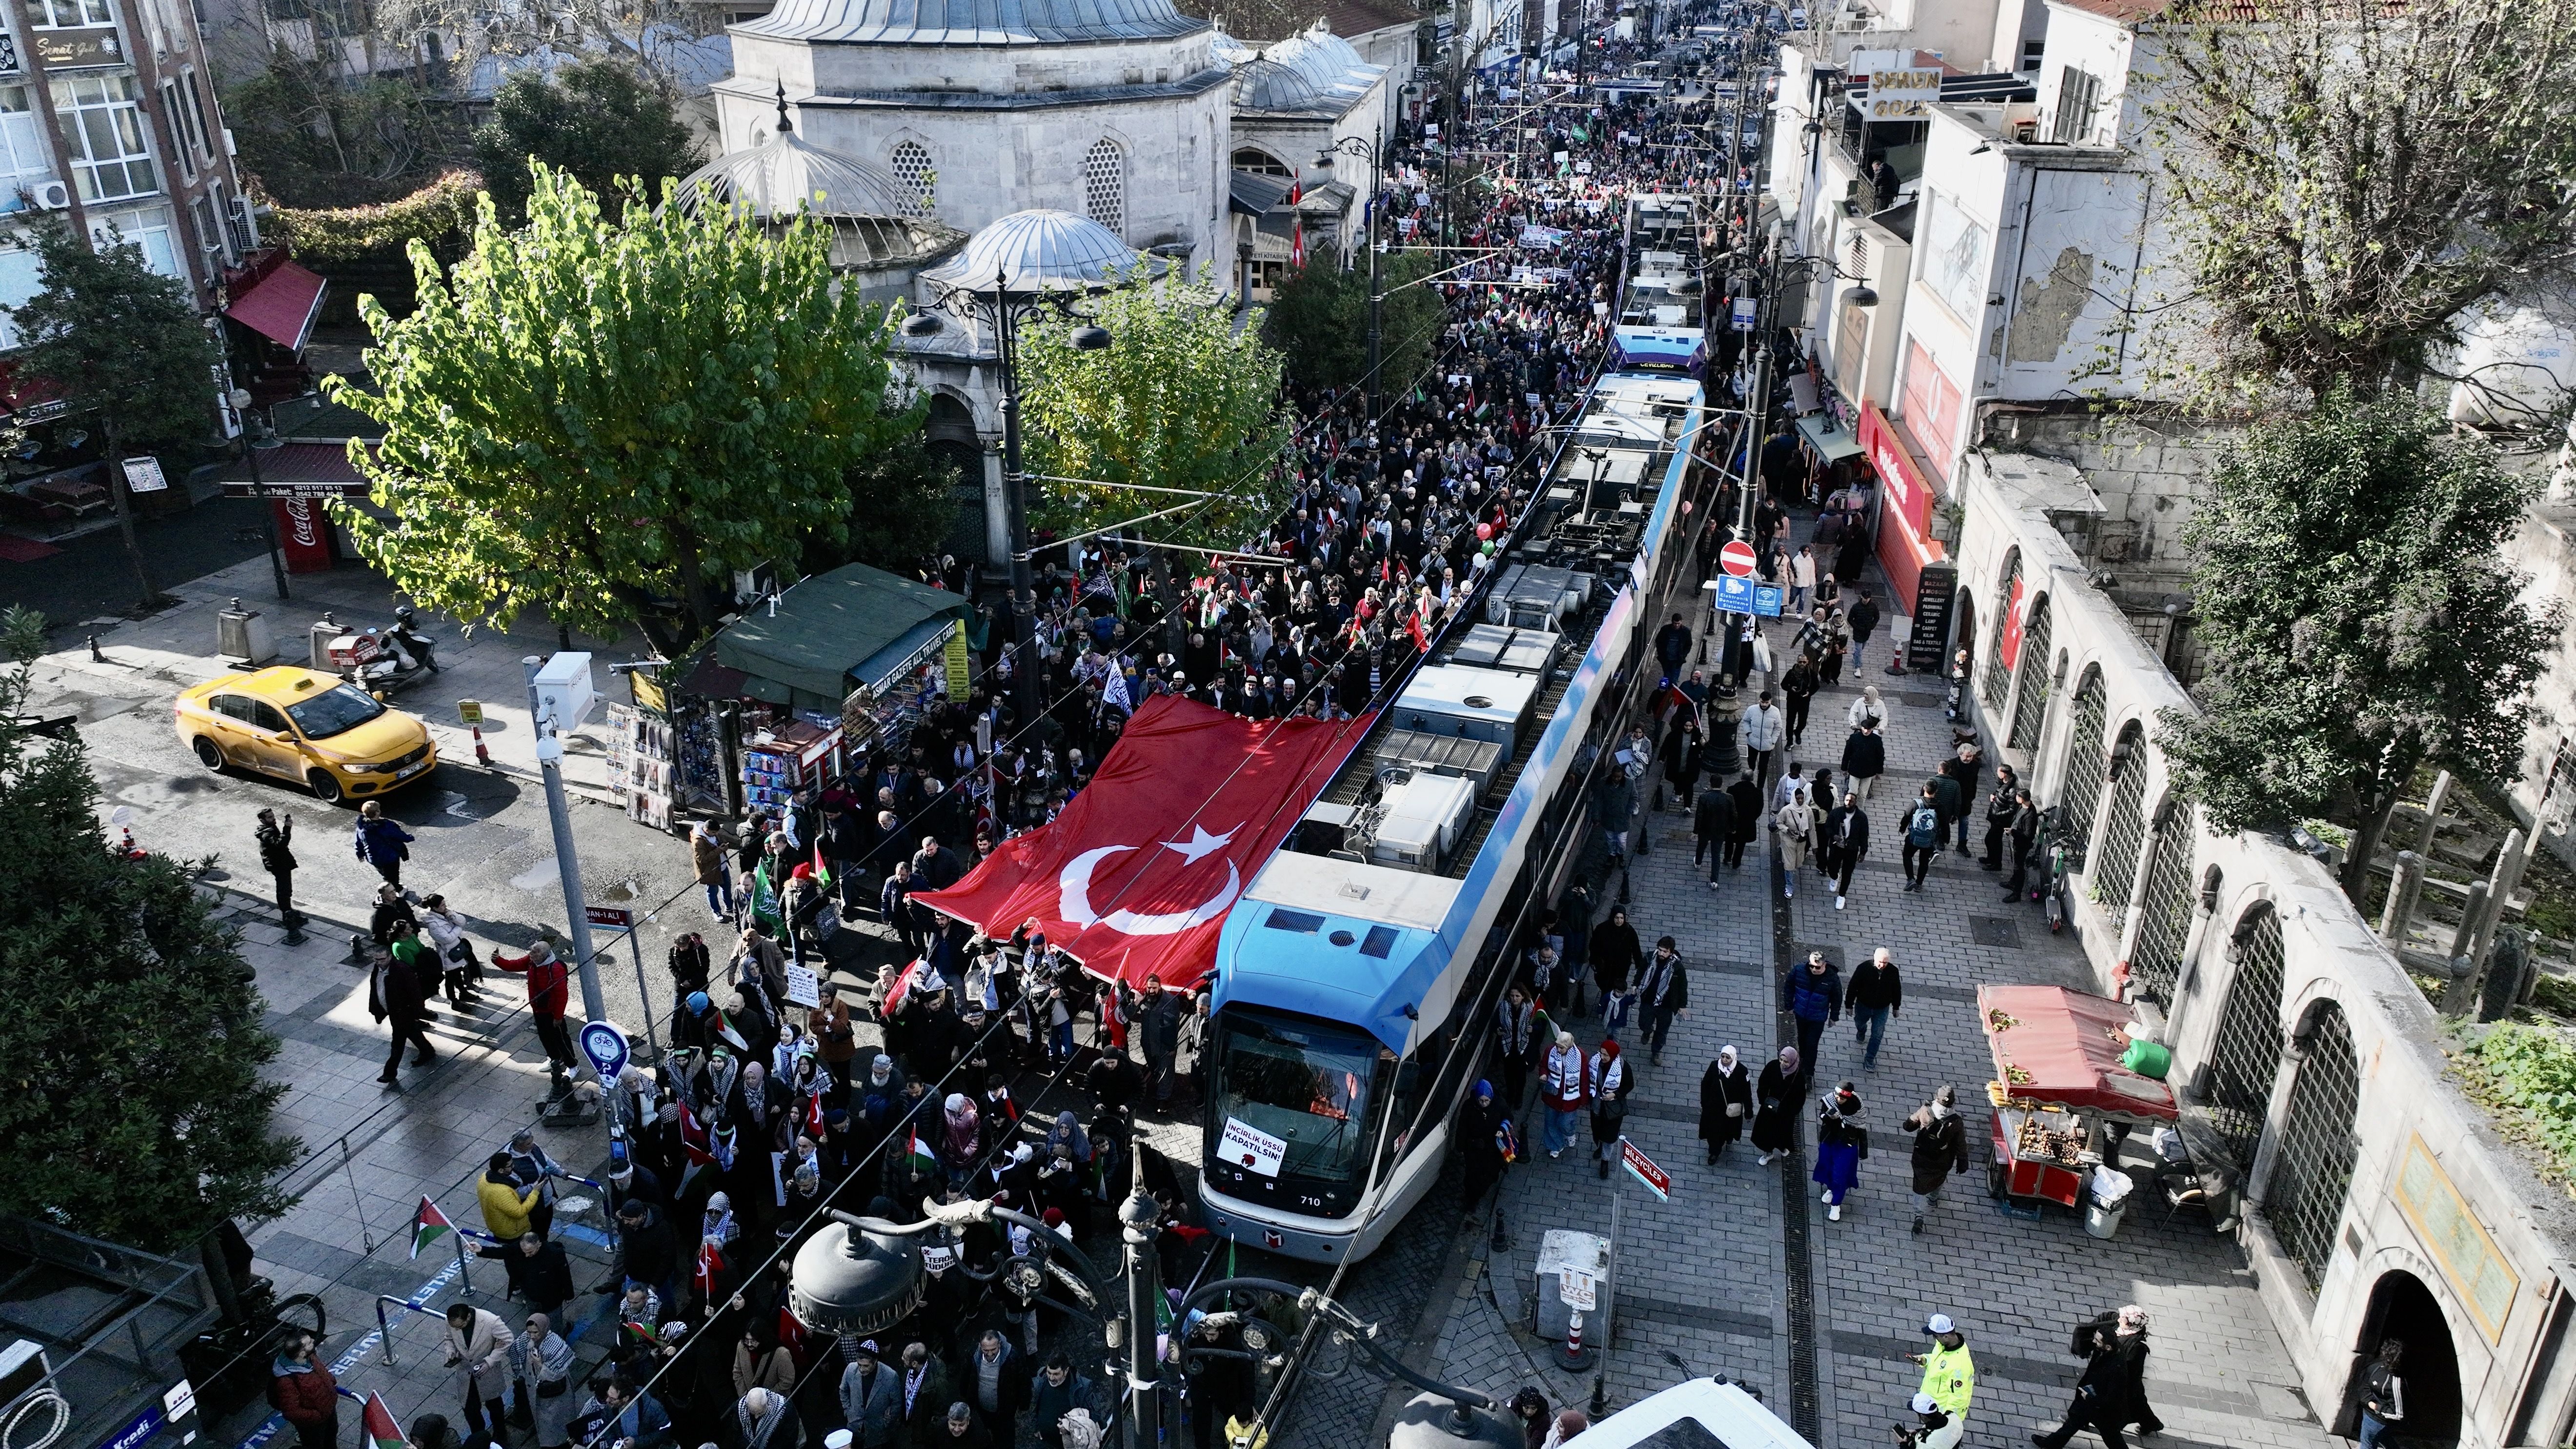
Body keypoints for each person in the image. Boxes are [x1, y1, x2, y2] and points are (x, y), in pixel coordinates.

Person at [2031, 1310, 2146, 1449]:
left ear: (2108, 1347)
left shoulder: (2117, 1368)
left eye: (2097, 1341)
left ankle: (2052, 1444)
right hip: (2090, 1399)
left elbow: (2113, 1398)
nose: (2093, 1342)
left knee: (2112, 1438)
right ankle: (2051, 1444)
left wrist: (2091, 1399)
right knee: (2072, 1423)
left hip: (2101, 1407)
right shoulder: (2104, 1350)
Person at [443, 1303, 513, 1444]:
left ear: (468, 1317)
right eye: (454, 1327)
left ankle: (500, 1433)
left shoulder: (490, 1321)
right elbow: (449, 1338)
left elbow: (508, 1339)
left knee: (495, 1406)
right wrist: (450, 1351)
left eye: (460, 1326)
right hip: (466, 1373)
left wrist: (490, 1361)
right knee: (470, 1411)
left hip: (488, 1372)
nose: (456, 1329)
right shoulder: (451, 1321)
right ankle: (479, 1439)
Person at [1903, 1087, 1970, 1234]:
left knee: (1920, 1184)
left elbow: (1908, 1126)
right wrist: (1963, 1162)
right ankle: (1933, 1198)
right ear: (1953, 1103)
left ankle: (1919, 1215)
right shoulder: (1956, 1121)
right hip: (1942, 1161)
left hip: (1922, 1157)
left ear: (1936, 1097)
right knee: (1939, 1178)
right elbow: (1961, 1144)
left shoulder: (1926, 1110)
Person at [374, 933, 435, 1085]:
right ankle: (428, 1052)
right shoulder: (378, 969)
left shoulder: (401, 970)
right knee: (412, 1032)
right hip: (394, 1011)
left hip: (403, 1012)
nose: (379, 962)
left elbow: (415, 991)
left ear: (389, 957)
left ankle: (389, 1072)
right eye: (376, 959)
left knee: (398, 1042)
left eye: (382, 959)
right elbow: (376, 988)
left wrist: (418, 1010)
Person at [513, 1312, 576, 1449]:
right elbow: (516, 1349)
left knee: (557, 1422)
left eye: (536, 1332)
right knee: (544, 1423)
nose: (532, 1336)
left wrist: (541, 1365)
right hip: (539, 1393)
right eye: (530, 1332)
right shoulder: (526, 1339)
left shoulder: (556, 1345)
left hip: (556, 1395)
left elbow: (559, 1373)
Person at [269, 1331, 339, 1449]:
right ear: (302, 1353)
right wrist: (317, 1416)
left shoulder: (309, 1357)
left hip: (328, 1409)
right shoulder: (286, 1382)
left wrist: (331, 1381)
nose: (313, 1340)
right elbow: (292, 1412)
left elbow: (321, 1370)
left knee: (331, 1438)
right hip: (314, 1424)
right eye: (308, 1343)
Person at [1780, 951, 1842, 1078]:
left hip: (1818, 1018)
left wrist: (1834, 1017)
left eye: (1818, 967)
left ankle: (1809, 1072)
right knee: (1802, 1041)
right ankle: (1802, 1060)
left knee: (1812, 1045)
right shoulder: (1799, 971)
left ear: (1824, 965)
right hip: (1801, 1014)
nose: (1814, 969)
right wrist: (1789, 1006)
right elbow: (1789, 986)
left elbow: (1837, 998)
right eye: (1811, 966)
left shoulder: (1832, 978)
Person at [1813, 1082, 1866, 1221]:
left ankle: (1836, 1204)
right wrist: (1828, 1118)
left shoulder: (1857, 1108)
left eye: (1842, 1098)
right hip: (1829, 1141)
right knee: (1827, 1167)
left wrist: (1840, 1121)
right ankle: (1831, 1189)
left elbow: (1860, 1128)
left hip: (1846, 1145)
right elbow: (1822, 1115)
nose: (1838, 1100)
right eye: (1837, 1096)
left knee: (1840, 1174)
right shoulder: (1829, 1100)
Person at [1912, 1314, 1976, 1421]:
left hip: (1938, 1414)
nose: (1934, 1338)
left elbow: (1959, 1399)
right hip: (1928, 1404)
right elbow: (1939, 1360)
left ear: (1946, 1337)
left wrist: (1949, 1422)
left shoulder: (1959, 1367)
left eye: (1935, 1336)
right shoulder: (1943, 1344)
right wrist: (1925, 1360)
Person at [1635, 937, 1689, 1065]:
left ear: (1671, 952)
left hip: (1666, 1005)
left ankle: (1656, 1052)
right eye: (1660, 950)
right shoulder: (1649, 959)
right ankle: (1648, 1031)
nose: (1661, 954)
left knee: (1662, 1031)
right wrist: (1635, 984)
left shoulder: (1677, 967)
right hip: (1648, 1000)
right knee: (1643, 1023)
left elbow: (1683, 987)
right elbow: (1641, 971)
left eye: (1665, 952)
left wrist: (1682, 1005)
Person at [1460, 1078, 1513, 1208]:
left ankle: (1483, 1187)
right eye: (1481, 1101)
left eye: (1486, 1101)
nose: (1484, 1104)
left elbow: (1509, 1118)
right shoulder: (1469, 1107)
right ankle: (1471, 1200)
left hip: (1492, 1148)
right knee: (1472, 1175)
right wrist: (1461, 1146)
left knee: (1490, 1172)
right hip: (1474, 1147)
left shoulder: (1500, 1105)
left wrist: (1502, 1130)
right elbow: (1462, 1127)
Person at [1539, 1029, 1590, 1159]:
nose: (1558, 1049)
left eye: (1561, 1047)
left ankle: (1570, 1133)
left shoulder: (1581, 1056)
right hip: (1552, 1095)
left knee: (1566, 1123)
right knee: (1550, 1122)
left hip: (1570, 1098)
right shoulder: (1550, 1051)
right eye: (1557, 1046)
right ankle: (1555, 1146)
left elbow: (1584, 1079)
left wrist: (1583, 1100)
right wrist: (1544, 1074)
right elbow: (1543, 1065)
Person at [841, 1340, 902, 1449]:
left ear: (875, 1362)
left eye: (866, 1366)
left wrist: (887, 1421)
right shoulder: (851, 1369)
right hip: (855, 1427)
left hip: (878, 1431)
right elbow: (843, 1390)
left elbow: (897, 1403)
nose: (861, 1369)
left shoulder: (890, 1376)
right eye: (859, 1365)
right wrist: (848, 1410)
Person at [1495, 985, 1549, 1107]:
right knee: (1508, 1075)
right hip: (1508, 1048)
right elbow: (1496, 1022)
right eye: (1512, 996)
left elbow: (1539, 1026)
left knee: (1520, 1076)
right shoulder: (1504, 1007)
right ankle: (1510, 1095)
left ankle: (1519, 1097)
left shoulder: (1530, 1009)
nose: (1515, 999)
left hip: (1523, 1050)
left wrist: (1533, 1029)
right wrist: (1497, 1029)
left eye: (1517, 996)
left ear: (1523, 996)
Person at [1849, 948, 1902, 1070]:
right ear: (1874, 958)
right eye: (1880, 962)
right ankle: (1861, 1031)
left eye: (1885, 963)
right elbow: (1853, 986)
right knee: (1860, 1023)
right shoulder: (1864, 968)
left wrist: (1896, 1007)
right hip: (1863, 1005)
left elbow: (1896, 990)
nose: (1882, 965)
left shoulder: (1893, 971)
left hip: (1882, 1009)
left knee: (1877, 1035)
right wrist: (1849, 1005)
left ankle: (1870, 1059)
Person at [1699, 1045, 1753, 1165]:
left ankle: (1729, 1137)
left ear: (1733, 1058)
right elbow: (1706, 1084)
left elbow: (1746, 1093)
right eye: (1723, 1057)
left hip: (1732, 1110)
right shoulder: (1714, 1067)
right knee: (1715, 1132)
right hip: (1715, 1108)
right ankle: (1714, 1152)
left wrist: (1749, 1112)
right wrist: (1705, 1103)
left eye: (1728, 1058)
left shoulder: (1742, 1071)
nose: (1724, 1060)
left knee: (1730, 1128)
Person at [1587, 1037, 1631, 1178]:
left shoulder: (1623, 1067)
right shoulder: (1595, 1063)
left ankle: (1605, 1162)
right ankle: (1599, 1146)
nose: (1603, 1057)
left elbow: (1629, 1085)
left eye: (1606, 1055)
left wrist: (1615, 1094)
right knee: (1598, 1129)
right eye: (1601, 1053)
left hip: (1613, 1109)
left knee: (1610, 1135)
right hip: (1597, 1105)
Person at [255, 808, 305, 932]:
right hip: (278, 865)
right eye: (269, 818)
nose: (273, 819)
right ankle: (288, 916)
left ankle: (289, 912)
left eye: (273, 816)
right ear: (263, 820)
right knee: (284, 890)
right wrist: (287, 829)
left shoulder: (270, 828)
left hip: (280, 863)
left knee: (285, 889)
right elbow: (281, 844)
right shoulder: (267, 833)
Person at [1752, 1046, 1800, 1165]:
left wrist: (1792, 1111)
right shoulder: (1772, 1067)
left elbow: (1800, 1097)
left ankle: (1782, 1147)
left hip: (1785, 1112)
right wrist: (1763, 1100)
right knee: (1766, 1133)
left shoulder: (1798, 1076)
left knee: (1782, 1132)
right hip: (1769, 1109)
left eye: (1786, 1061)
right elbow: (1762, 1084)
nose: (1782, 1064)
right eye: (1781, 1059)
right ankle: (1767, 1154)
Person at [353, 800, 414, 890]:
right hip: (390, 857)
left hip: (374, 858)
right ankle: (396, 889)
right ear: (377, 812)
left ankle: (392, 885)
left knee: (385, 873)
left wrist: (360, 854)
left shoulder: (362, 828)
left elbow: (359, 842)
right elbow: (400, 836)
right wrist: (410, 838)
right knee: (393, 874)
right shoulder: (386, 827)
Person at [1823, 790, 1869, 909]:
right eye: (1847, 800)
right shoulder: (1836, 813)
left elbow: (1864, 835)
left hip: (1851, 850)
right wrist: (1833, 836)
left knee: (1847, 874)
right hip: (1836, 847)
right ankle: (1834, 877)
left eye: (1851, 801)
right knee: (1831, 867)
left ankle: (1842, 896)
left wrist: (1863, 852)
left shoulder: (1861, 817)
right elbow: (1827, 826)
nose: (1849, 803)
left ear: (1856, 802)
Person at [2356, 1338, 2404, 1449]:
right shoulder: (2376, 1366)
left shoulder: (2395, 1382)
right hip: (2369, 1414)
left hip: (2377, 1420)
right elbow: (2364, 1386)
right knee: (2383, 1438)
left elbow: (2398, 1414)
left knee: (2367, 1445)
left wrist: (2374, 1406)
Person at [716, 1387, 800, 1449]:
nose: (756, 1416)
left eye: (760, 1413)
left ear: (767, 1403)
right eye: (753, 1413)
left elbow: (789, 1439)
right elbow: (736, 1434)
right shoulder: (740, 1408)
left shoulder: (785, 1409)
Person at [1776, 778, 1816, 897]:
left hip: (1801, 841)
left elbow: (1812, 829)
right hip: (1788, 840)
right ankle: (1789, 886)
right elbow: (1779, 823)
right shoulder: (1786, 810)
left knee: (1798, 862)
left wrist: (1815, 846)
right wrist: (1787, 830)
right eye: (1798, 798)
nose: (1800, 801)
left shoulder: (1808, 811)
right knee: (1790, 864)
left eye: (1802, 798)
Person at [2002, 787, 2041, 902]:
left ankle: (2017, 893)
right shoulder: (2023, 807)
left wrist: (2013, 832)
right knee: (2016, 865)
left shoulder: (2030, 815)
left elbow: (2028, 835)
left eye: (2017, 797)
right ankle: (2012, 882)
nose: (2016, 798)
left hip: (2022, 845)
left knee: (2019, 868)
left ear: (2022, 799)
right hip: (2016, 841)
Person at [1693, 778, 1735, 883]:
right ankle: (1714, 881)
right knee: (1716, 855)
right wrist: (1733, 828)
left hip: (1705, 829)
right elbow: (1733, 814)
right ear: (1722, 784)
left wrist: (1696, 831)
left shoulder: (1704, 797)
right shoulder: (1729, 798)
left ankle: (1698, 863)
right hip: (1720, 831)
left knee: (1701, 846)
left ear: (1711, 784)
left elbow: (1699, 815)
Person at [1742, 691, 1784, 793]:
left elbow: (1778, 728)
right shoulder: (1752, 710)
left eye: (1766, 702)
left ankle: (1760, 788)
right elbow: (1746, 721)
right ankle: (1749, 782)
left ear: (1770, 701)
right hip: (1753, 742)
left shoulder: (1775, 712)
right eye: (1762, 702)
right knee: (1751, 764)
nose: (1764, 705)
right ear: (1759, 700)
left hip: (1767, 745)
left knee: (1763, 767)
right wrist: (1749, 734)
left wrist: (1773, 741)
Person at [694, 822, 737, 923]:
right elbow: (702, 859)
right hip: (711, 871)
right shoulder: (698, 841)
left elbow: (721, 840)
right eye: (714, 833)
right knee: (712, 892)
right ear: (707, 830)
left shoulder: (715, 833)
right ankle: (716, 912)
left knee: (726, 888)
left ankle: (729, 906)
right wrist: (719, 850)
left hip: (723, 867)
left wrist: (725, 845)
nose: (716, 834)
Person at [1981, 766, 2021, 870]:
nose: (1997, 773)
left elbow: (2012, 809)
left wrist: (1999, 814)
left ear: (2005, 774)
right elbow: (1998, 793)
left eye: (1999, 772)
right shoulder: (2004, 783)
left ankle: (1997, 864)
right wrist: (1993, 795)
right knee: (1994, 841)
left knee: (1991, 840)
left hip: (2001, 821)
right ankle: (1991, 859)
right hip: (1995, 818)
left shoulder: (2012, 790)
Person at [1895, 1392, 1964, 1449]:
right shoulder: (1954, 1417)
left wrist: (1903, 1444)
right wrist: (1918, 1432)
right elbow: (1940, 1430)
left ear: (1922, 1416)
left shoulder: (1925, 1444)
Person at [1841, 721, 1886, 803]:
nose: (1866, 731)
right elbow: (1847, 754)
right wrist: (1844, 768)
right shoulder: (1854, 738)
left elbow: (1880, 757)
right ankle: (1849, 808)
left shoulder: (1877, 740)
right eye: (1864, 729)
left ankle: (1859, 810)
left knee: (1863, 794)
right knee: (1852, 792)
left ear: (1872, 729)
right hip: (1855, 770)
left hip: (1868, 772)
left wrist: (1879, 772)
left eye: (1868, 730)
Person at [1725, 772, 1762, 868]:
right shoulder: (1758, 793)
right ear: (1752, 779)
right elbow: (1759, 810)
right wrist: (1752, 818)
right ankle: (1736, 862)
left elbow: (1727, 806)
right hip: (1747, 823)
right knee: (1741, 844)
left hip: (1733, 821)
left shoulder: (1732, 789)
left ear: (1742, 778)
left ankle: (1727, 857)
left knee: (1729, 840)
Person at [1849, 590, 1881, 671]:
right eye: (1865, 598)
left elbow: (1877, 617)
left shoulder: (1873, 607)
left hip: (1867, 631)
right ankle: (1858, 667)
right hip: (1858, 631)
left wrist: (1872, 626)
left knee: (1862, 646)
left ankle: (1855, 656)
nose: (1866, 600)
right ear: (1861, 597)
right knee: (1859, 650)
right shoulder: (1856, 607)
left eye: (1868, 598)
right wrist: (1856, 627)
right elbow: (1850, 619)